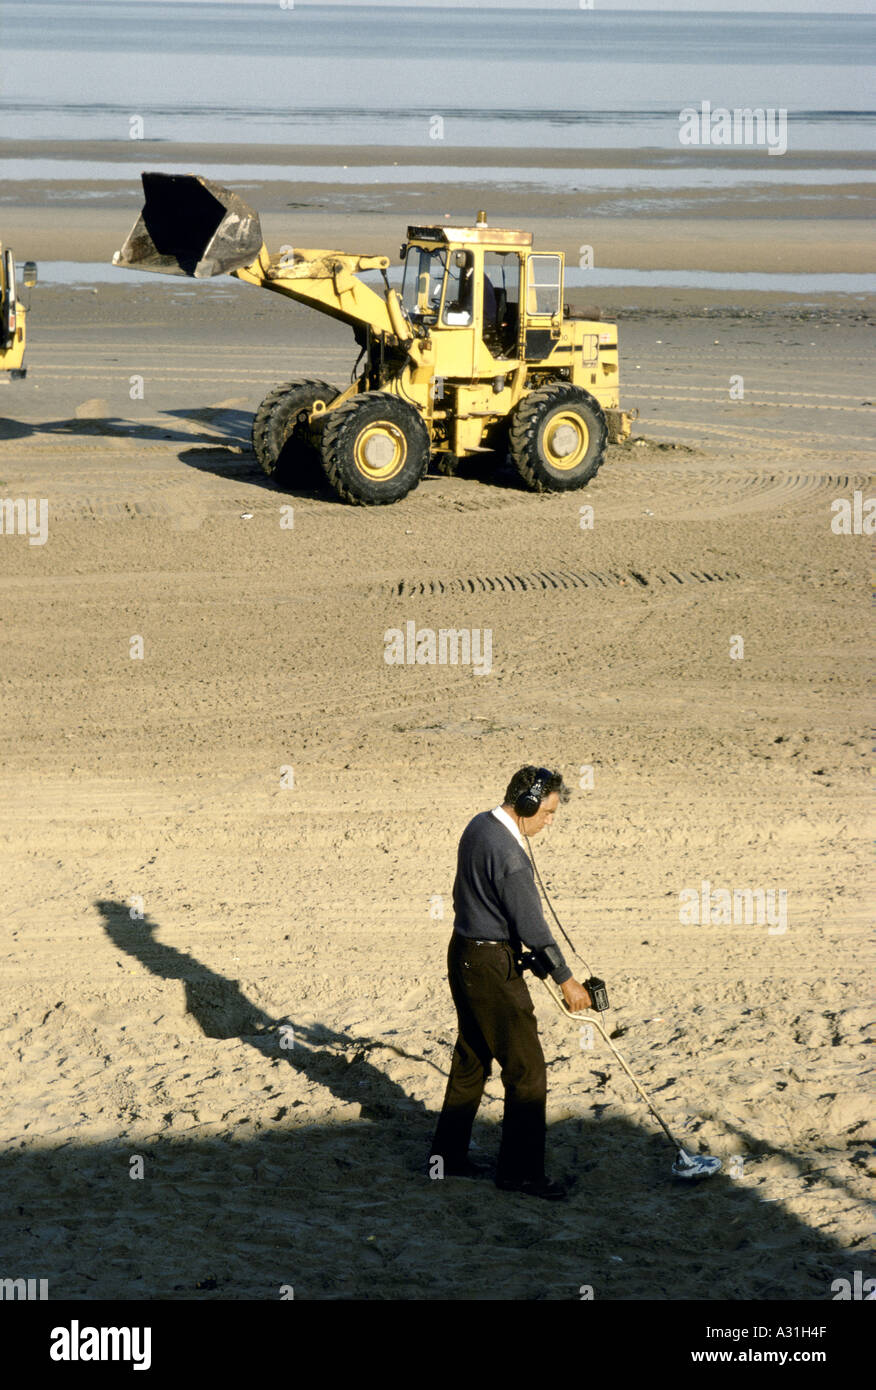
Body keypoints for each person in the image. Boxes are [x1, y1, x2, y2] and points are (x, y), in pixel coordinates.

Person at [430, 766, 592, 1200]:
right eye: (549, 812)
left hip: (463, 952)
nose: (550, 821)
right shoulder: (512, 857)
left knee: (472, 1058)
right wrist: (567, 980)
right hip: (489, 967)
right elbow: (533, 926)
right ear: (527, 804)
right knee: (526, 1072)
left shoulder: (479, 824)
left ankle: (444, 1162)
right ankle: (520, 1175)